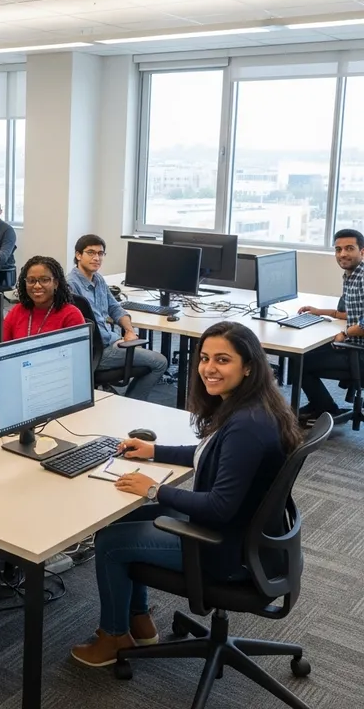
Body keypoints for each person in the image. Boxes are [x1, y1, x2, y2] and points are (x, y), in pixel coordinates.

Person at [70, 321, 302, 668]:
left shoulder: (247, 426)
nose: (209, 368)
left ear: (249, 366)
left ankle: (114, 637)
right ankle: (139, 621)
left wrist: (154, 489)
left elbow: (220, 506)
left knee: (110, 543)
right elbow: (208, 453)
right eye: (205, 358)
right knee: (122, 520)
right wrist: (154, 451)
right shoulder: (252, 407)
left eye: (223, 360)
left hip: (225, 549)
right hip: (250, 535)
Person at [68, 234, 168, 400]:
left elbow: (115, 307)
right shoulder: (71, 285)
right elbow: (84, 327)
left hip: (111, 342)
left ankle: (127, 401)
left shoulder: (98, 279)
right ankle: (132, 403)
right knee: (160, 362)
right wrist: (115, 342)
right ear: (78, 255)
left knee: (146, 356)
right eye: (91, 253)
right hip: (97, 351)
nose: (96, 258)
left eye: (100, 254)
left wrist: (129, 331)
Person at [297, 227, 364, 424]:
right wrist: (322, 312)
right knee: (308, 353)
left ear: (362, 251)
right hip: (355, 346)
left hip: (359, 353)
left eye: (349, 248)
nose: (342, 254)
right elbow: (355, 313)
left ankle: (325, 408)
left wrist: (345, 332)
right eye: (338, 249)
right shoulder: (352, 275)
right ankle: (324, 406)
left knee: (300, 362)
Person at [3, 256, 85, 341]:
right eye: (31, 281)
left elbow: (78, 352)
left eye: (44, 280)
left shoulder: (71, 315)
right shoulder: (17, 311)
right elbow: (1, 347)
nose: (37, 286)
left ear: (56, 283)